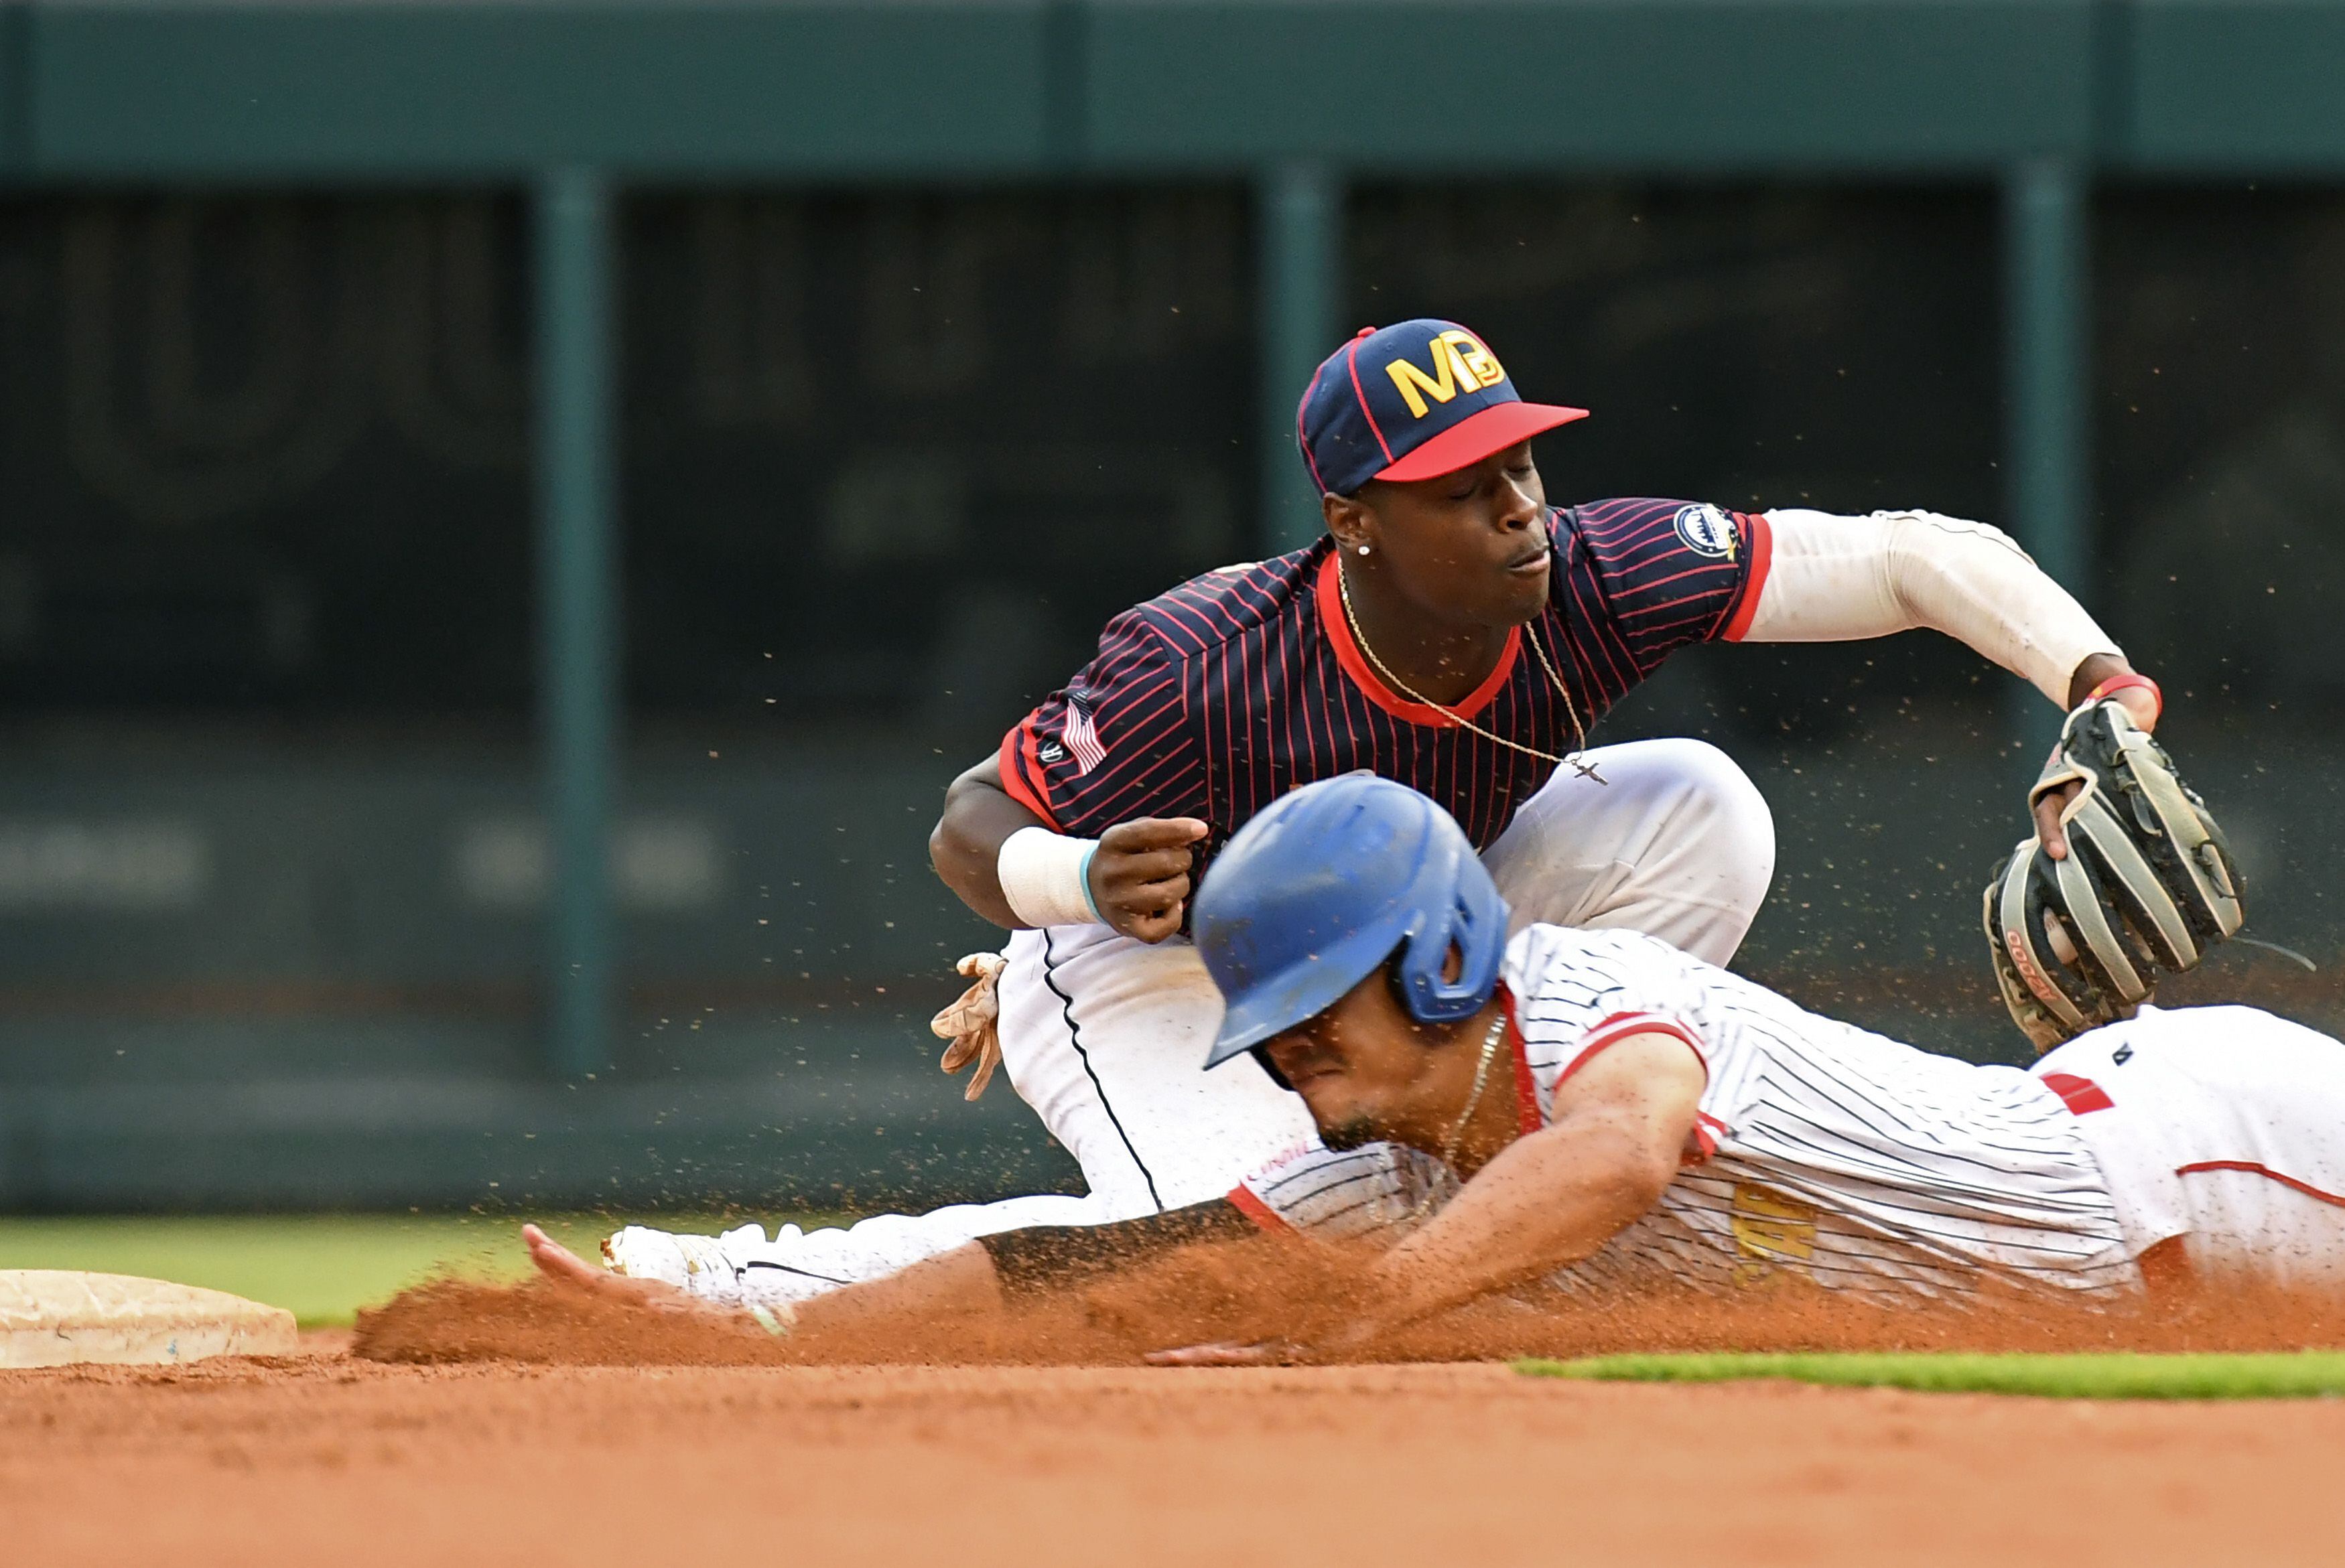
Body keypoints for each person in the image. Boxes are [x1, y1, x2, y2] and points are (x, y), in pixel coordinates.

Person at [600, 317, 2165, 1311]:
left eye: (1518, 462)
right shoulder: (1209, 665)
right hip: (1153, 961)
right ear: (1350, 519)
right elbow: (963, 828)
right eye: (1458, 482)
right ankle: (748, 1282)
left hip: (1388, 937)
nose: (1514, 504)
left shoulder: (1592, 575)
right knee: (1232, 1239)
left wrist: (2094, 679)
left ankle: (1501, 1177)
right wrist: (1068, 883)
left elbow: (1901, 554)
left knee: (1699, 806)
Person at [523, 776, 2345, 1352]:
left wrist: (1362, 1304)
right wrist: (743, 1317)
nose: (1308, 1084)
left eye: (1324, 1030)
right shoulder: (1389, 1162)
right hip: (2141, 1249)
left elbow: (1625, 1152)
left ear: (1445, 955)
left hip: (2197, 1153)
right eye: (1283, 1049)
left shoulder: (1590, 1001)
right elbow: (1083, 1268)